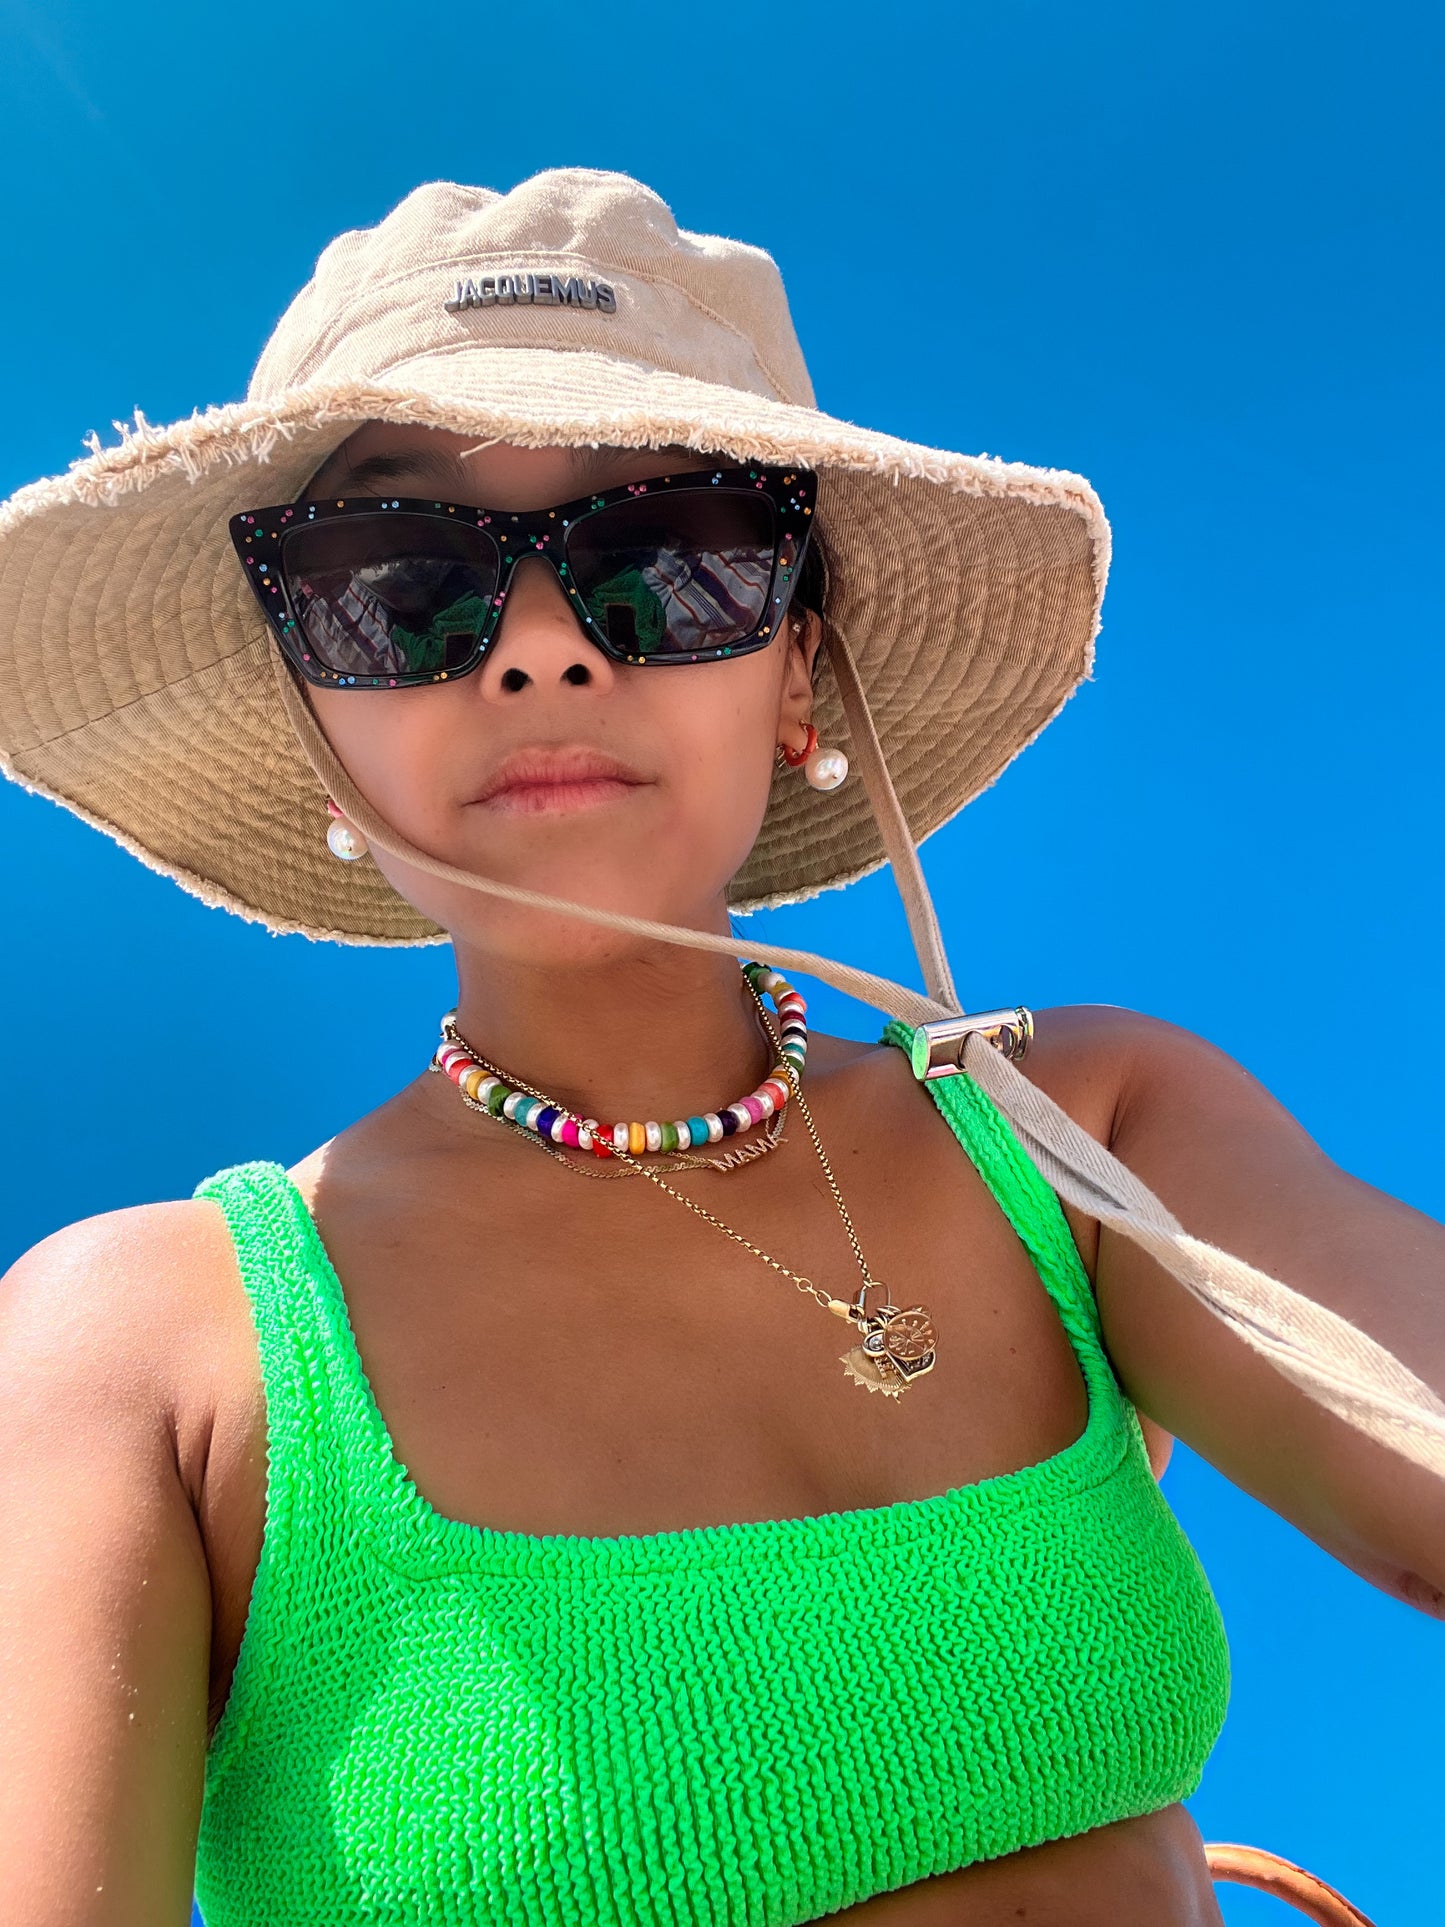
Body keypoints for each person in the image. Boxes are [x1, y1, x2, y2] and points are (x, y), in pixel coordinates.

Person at [0, 168, 1438, 1927]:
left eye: (661, 555)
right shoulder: (143, 1353)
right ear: (317, 729)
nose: (537, 652)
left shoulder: (1080, 1131)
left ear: (799, 671)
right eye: (394, 581)